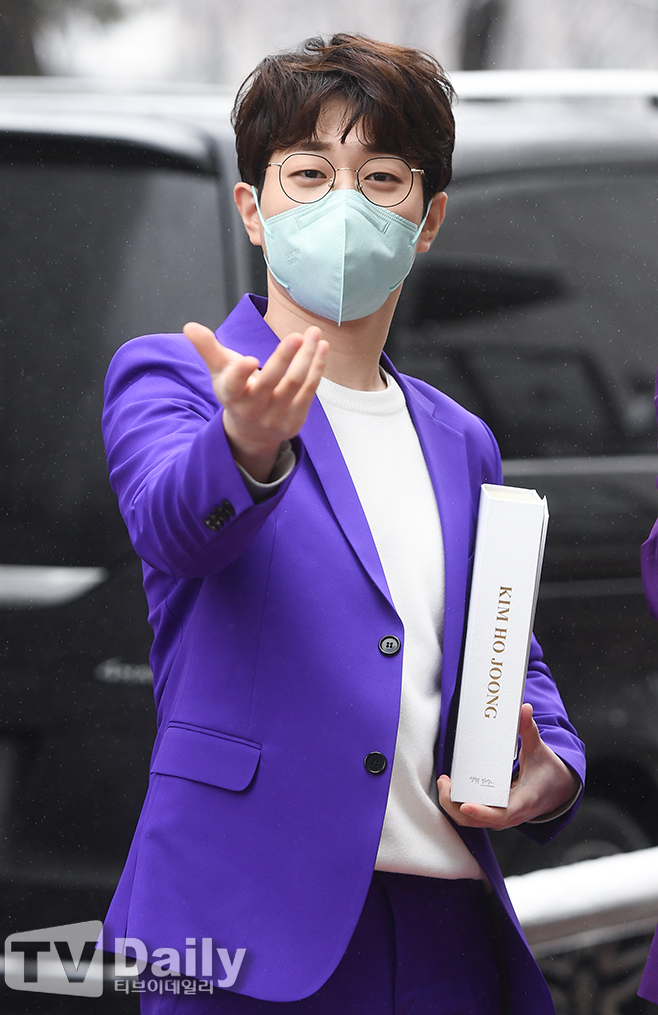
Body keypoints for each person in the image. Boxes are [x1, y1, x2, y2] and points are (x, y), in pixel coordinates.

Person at [101, 33, 585, 1015]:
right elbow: (172, 527)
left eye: (382, 178)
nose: (345, 204)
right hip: (241, 921)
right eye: (310, 173)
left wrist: (556, 764)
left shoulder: (462, 439)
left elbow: (503, 643)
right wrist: (246, 445)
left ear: (428, 218)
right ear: (253, 208)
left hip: (446, 928)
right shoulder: (177, 376)